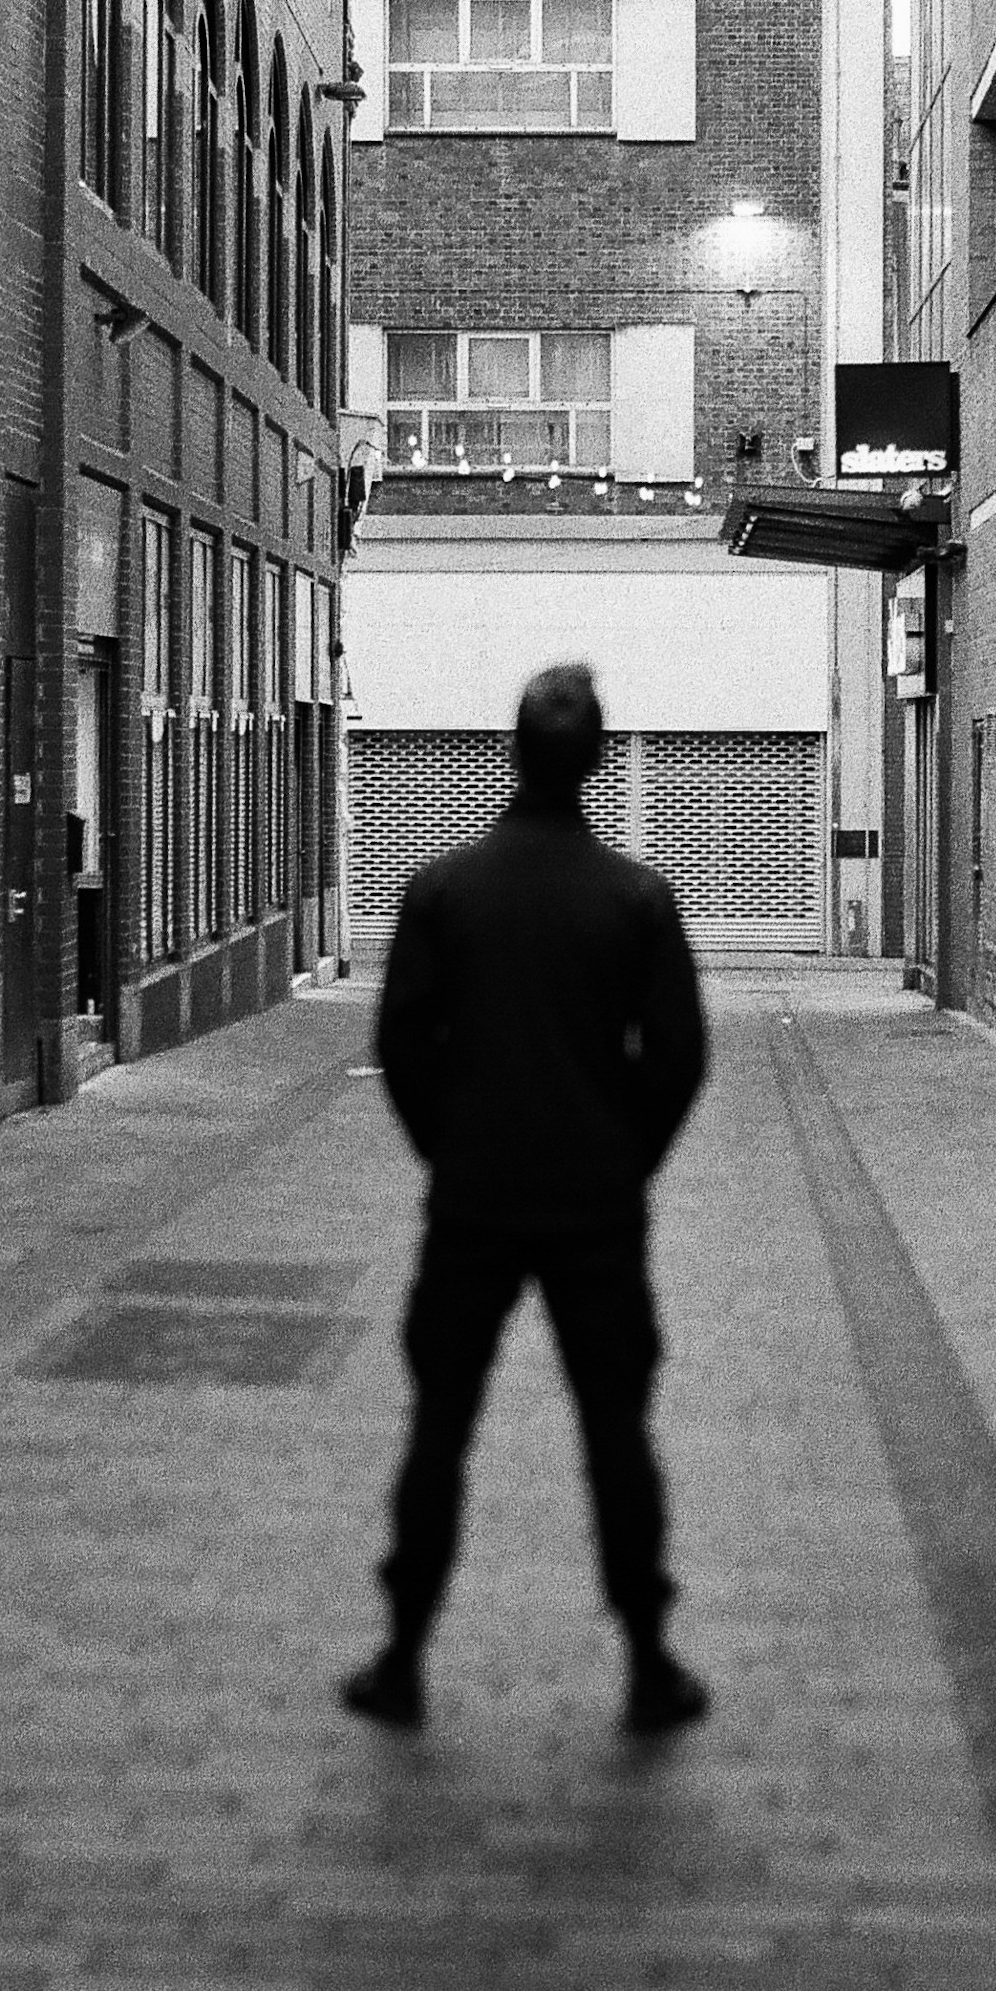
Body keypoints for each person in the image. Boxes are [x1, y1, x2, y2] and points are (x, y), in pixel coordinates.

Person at [343, 662, 710, 1735]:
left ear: (513, 754)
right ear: (596, 761)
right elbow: (679, 1055)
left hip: (474, 1203)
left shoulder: (444, 891)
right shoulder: (635, 898)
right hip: (596, 1207)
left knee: (440, 1426)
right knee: (616, 1430)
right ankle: (648, 1661)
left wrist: (449, 1147)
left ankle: (403, 1657)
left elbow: (401, 1041)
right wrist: (625, 1156)